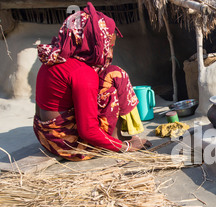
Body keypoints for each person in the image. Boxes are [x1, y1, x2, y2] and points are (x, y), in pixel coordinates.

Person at [33, 2, 150, 161]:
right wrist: (127, 148)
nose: (109, 54)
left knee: (109, 72)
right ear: (94, 43)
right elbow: (88, 132)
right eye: (108, 46)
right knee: (115, 78)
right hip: (66, 144)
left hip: (43, 135)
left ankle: (115, 138)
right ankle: (114, 142)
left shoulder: (56, 57)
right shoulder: (82, 73)